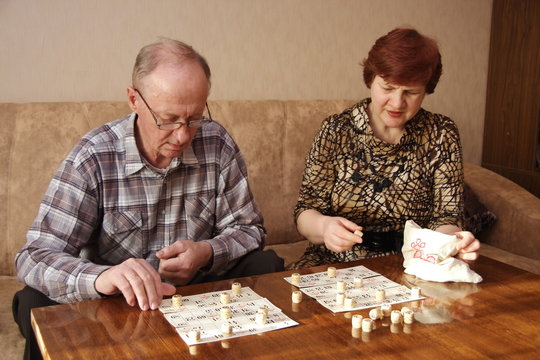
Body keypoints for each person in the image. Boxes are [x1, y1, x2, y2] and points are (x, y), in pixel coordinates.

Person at [13, 38, 283, 359]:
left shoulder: (217, 142)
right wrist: (102, 277)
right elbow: (35, 256)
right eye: (168, 119)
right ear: (133, 99)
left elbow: (250, 229)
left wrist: (206, 252)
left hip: (199, 293)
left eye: (194, 117)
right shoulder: (93, 156)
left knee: (267, 264)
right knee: (33, 301)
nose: (183, 135)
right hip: (115, 304)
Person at [289, 28, 480, 269]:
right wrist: (325, 228)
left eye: (411, 92)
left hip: (415, 262)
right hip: (336, 263)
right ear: (370, 79)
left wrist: (453, 242)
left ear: (427, 89)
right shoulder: (336, 130)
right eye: (388, 88)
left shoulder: (441, 133)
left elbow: (447, 216)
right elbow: (306, 210)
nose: (398, 103)